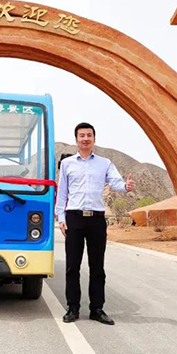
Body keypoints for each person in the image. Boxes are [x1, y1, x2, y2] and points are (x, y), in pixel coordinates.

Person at [55, 122, 135, 325]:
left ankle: (97, 309)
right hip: (74, 217)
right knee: (72, 266)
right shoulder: (67, 164)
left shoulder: (104, 163)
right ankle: (72, 308)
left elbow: (116, 182)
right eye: (82, 135)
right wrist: (61, 218)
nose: (85, 139)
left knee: (97, 266)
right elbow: (62, 192)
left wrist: (126, 186)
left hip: (97, 220)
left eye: (89, 135)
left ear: (94, 139)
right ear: (76, 139)